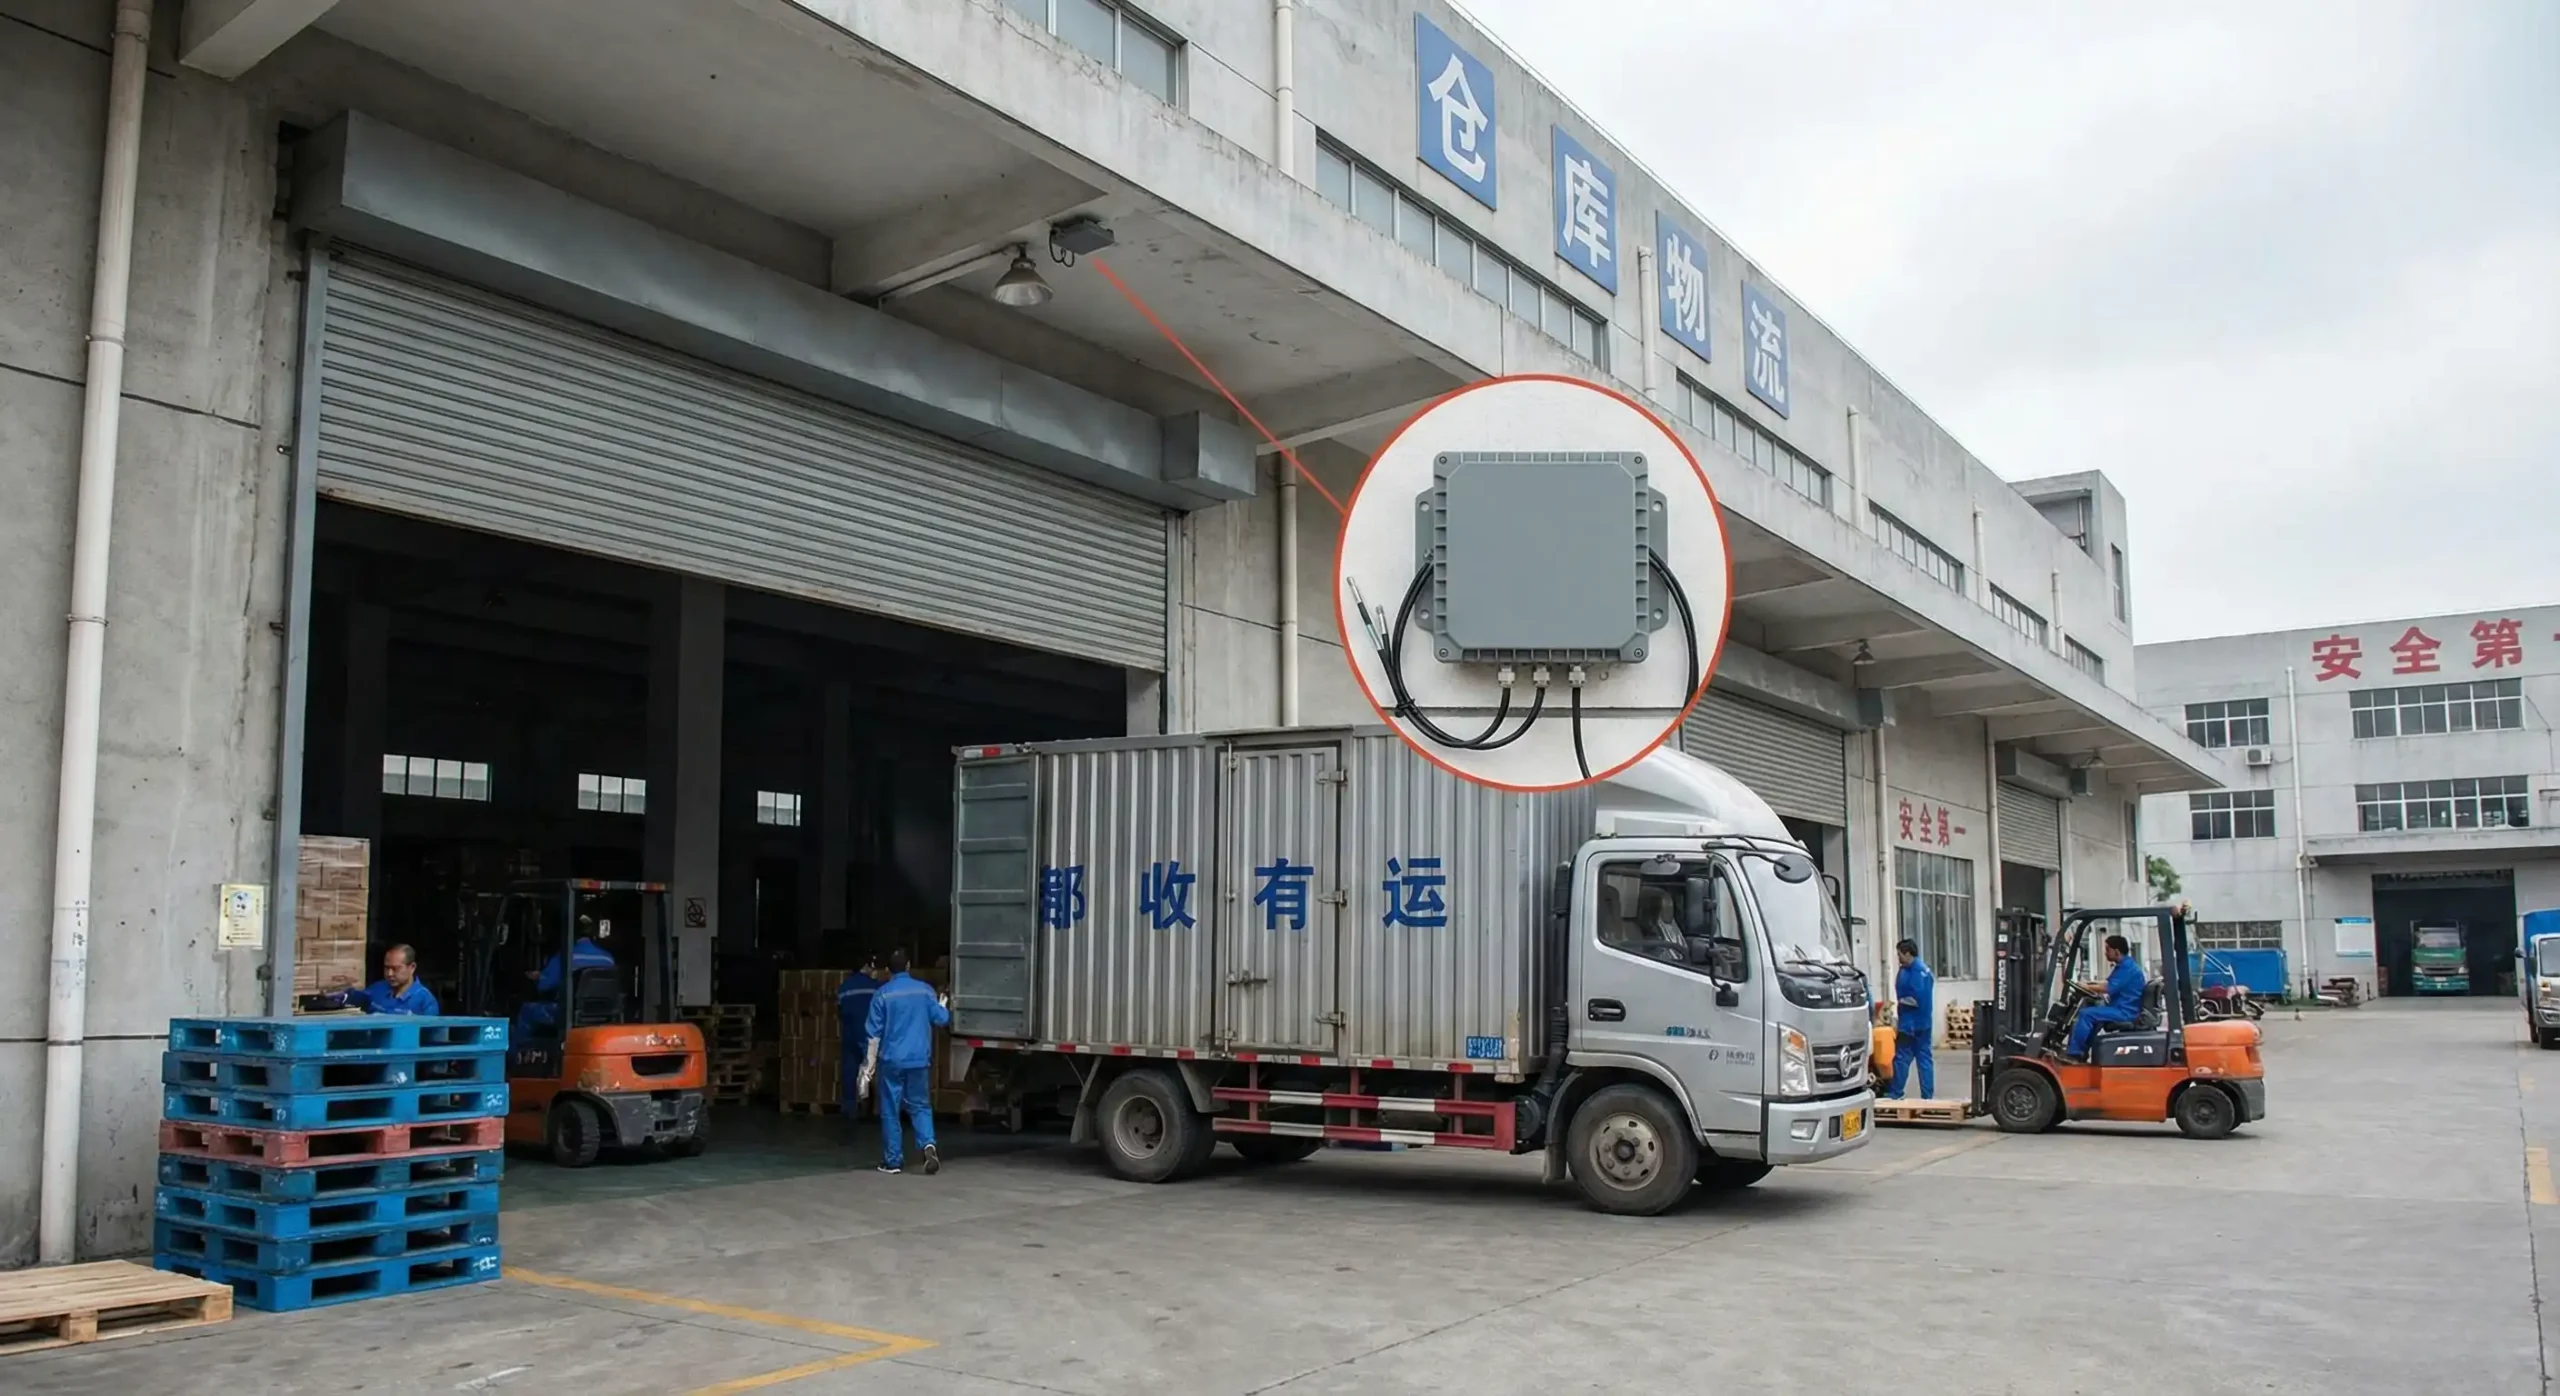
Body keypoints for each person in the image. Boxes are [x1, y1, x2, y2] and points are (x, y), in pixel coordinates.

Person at [859, 950, 950, 1176]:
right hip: (919, 1060)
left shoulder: (882, 995)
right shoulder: (925, 991)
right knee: (920, 1106)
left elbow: (873, 1036)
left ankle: (893, 1161)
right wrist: (943, 1003)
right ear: (909, 966)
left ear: (888, 970)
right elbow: (942, 1019)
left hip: (891, 1061)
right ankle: (928, 1145)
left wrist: (867, 1070)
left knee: (890, 1110)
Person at [521, 916, 618, 1037]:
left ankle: (521, 1049)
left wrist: (539, 977)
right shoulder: (608, 958)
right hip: (604, 1014)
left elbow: (544, 986)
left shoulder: (564, 957)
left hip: (568, 1013)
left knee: (526, 1010)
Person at [2066, 933, 2148, 1060]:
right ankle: (2083, 1050)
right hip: (2120, 1008)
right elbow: (2107, 982)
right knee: (2095, 1011)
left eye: (2107, 950)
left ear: (2117, 951)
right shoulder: (2124, 965)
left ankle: (2075, 1053)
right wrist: (2088, 983)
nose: (2105, 953)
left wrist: (2086, 986)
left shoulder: (2128, 968)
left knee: (2086, 1014)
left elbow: (2108, 988)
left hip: (2125, 1012)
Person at [321, 944, 440, 1015]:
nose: (389, 974)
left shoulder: (425, 1001)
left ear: (412, 967)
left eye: (395, 969)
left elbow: (433, 1040)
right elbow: (353, 997)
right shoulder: (377, 989)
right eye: (387, 968)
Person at [836, 957, 885, 1121]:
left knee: (850, 1070)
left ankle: (850, 1108)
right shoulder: (876, 987)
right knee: (872, 1072)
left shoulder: (844, 986)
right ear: (865, 966)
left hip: (849, 1033)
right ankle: (874, 1109)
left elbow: (840, 1011)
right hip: (870, 1035)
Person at [1887, 939, 1935, 1100]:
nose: (1898, 958)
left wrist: (1900, 1001)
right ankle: (1927, 1096)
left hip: (1911, 1025)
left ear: (1908, 953)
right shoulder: (1920, 970)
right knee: (1924, 1059)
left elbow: (1916, 1000)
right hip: (1922, 1023)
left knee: (1902, 1058)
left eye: (1900, 954)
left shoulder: (1916, 972)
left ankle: (1896, 1093)